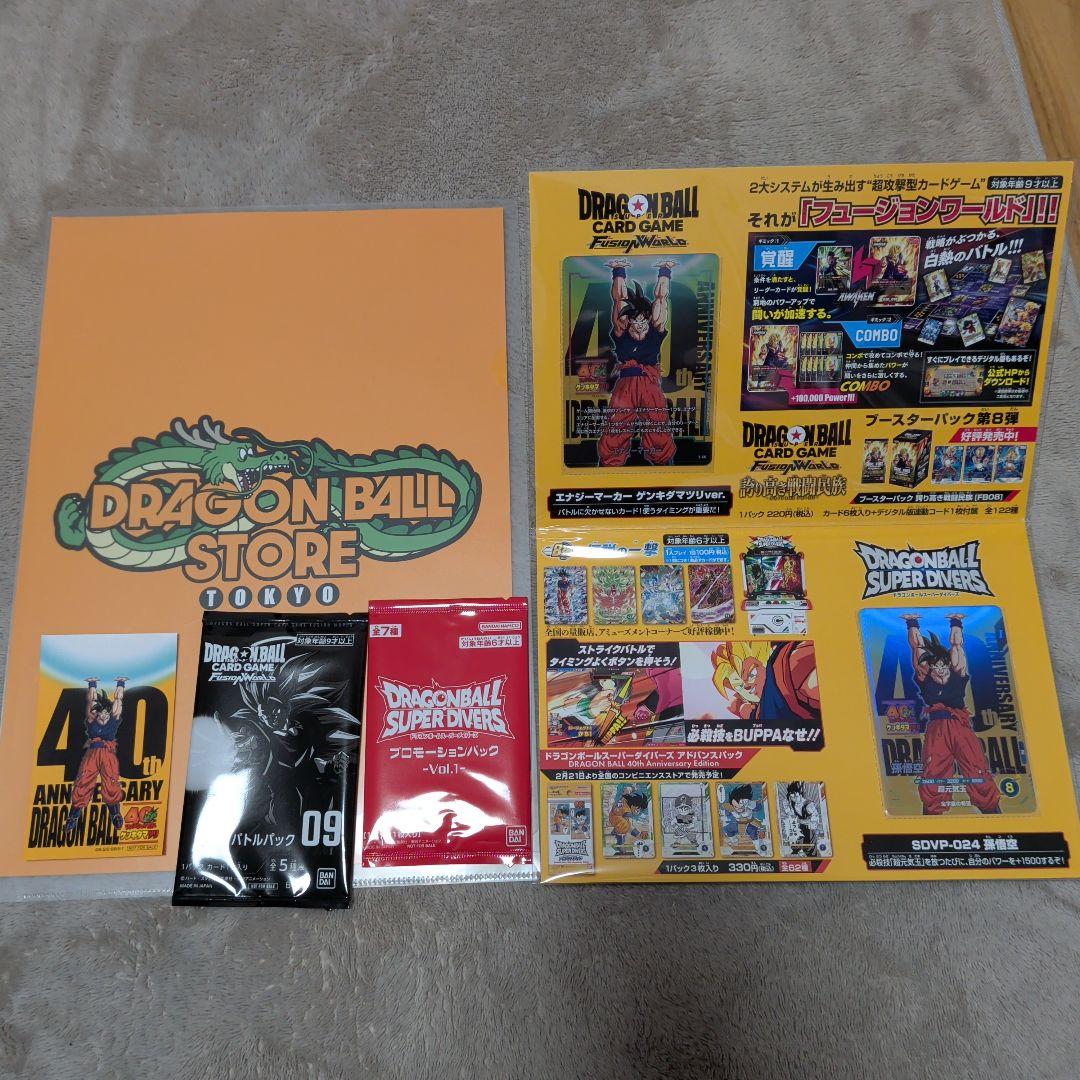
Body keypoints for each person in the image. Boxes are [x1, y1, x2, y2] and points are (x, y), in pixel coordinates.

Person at [903, 612, 1000, 814]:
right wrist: (912, 623)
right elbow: (917, 647)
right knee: (933, 773)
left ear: (948, 664)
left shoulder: (957, 673)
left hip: (959, 725)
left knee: (976, 767)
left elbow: (956, 645)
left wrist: (956, 622)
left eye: (942, 665)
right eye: (935, 666)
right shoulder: (925, 677)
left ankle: (993, 812)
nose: (939, 669)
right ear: (930, 667)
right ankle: (931, 817)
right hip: (937, 729)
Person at [597, 260, 677, 466]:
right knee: (617, 425)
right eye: (635, 320)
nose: (640, 324)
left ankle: (663, 465)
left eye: (643, 320)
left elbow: (661, 298)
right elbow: (619, 299)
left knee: (657, 424)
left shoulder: (655, 327)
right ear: (629, 320)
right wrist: (619, 271)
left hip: (649, 383)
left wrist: (665, 271)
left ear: (648, 318)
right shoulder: (622, 330)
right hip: (626, 385)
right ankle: (609, 466)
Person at [65, 676, 129, 833]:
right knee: (83, 782)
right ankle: (73, 816)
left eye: (107, 713)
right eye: (102, 714)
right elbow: (92, 701)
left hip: (108, 754)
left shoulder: (113, 720)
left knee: (111, 782)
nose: (104, 716)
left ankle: (115, 814)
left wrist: (121, 683)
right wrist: (92, 684)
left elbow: (118, 700)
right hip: (92, 754)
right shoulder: (92, 719)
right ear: (97, 713)